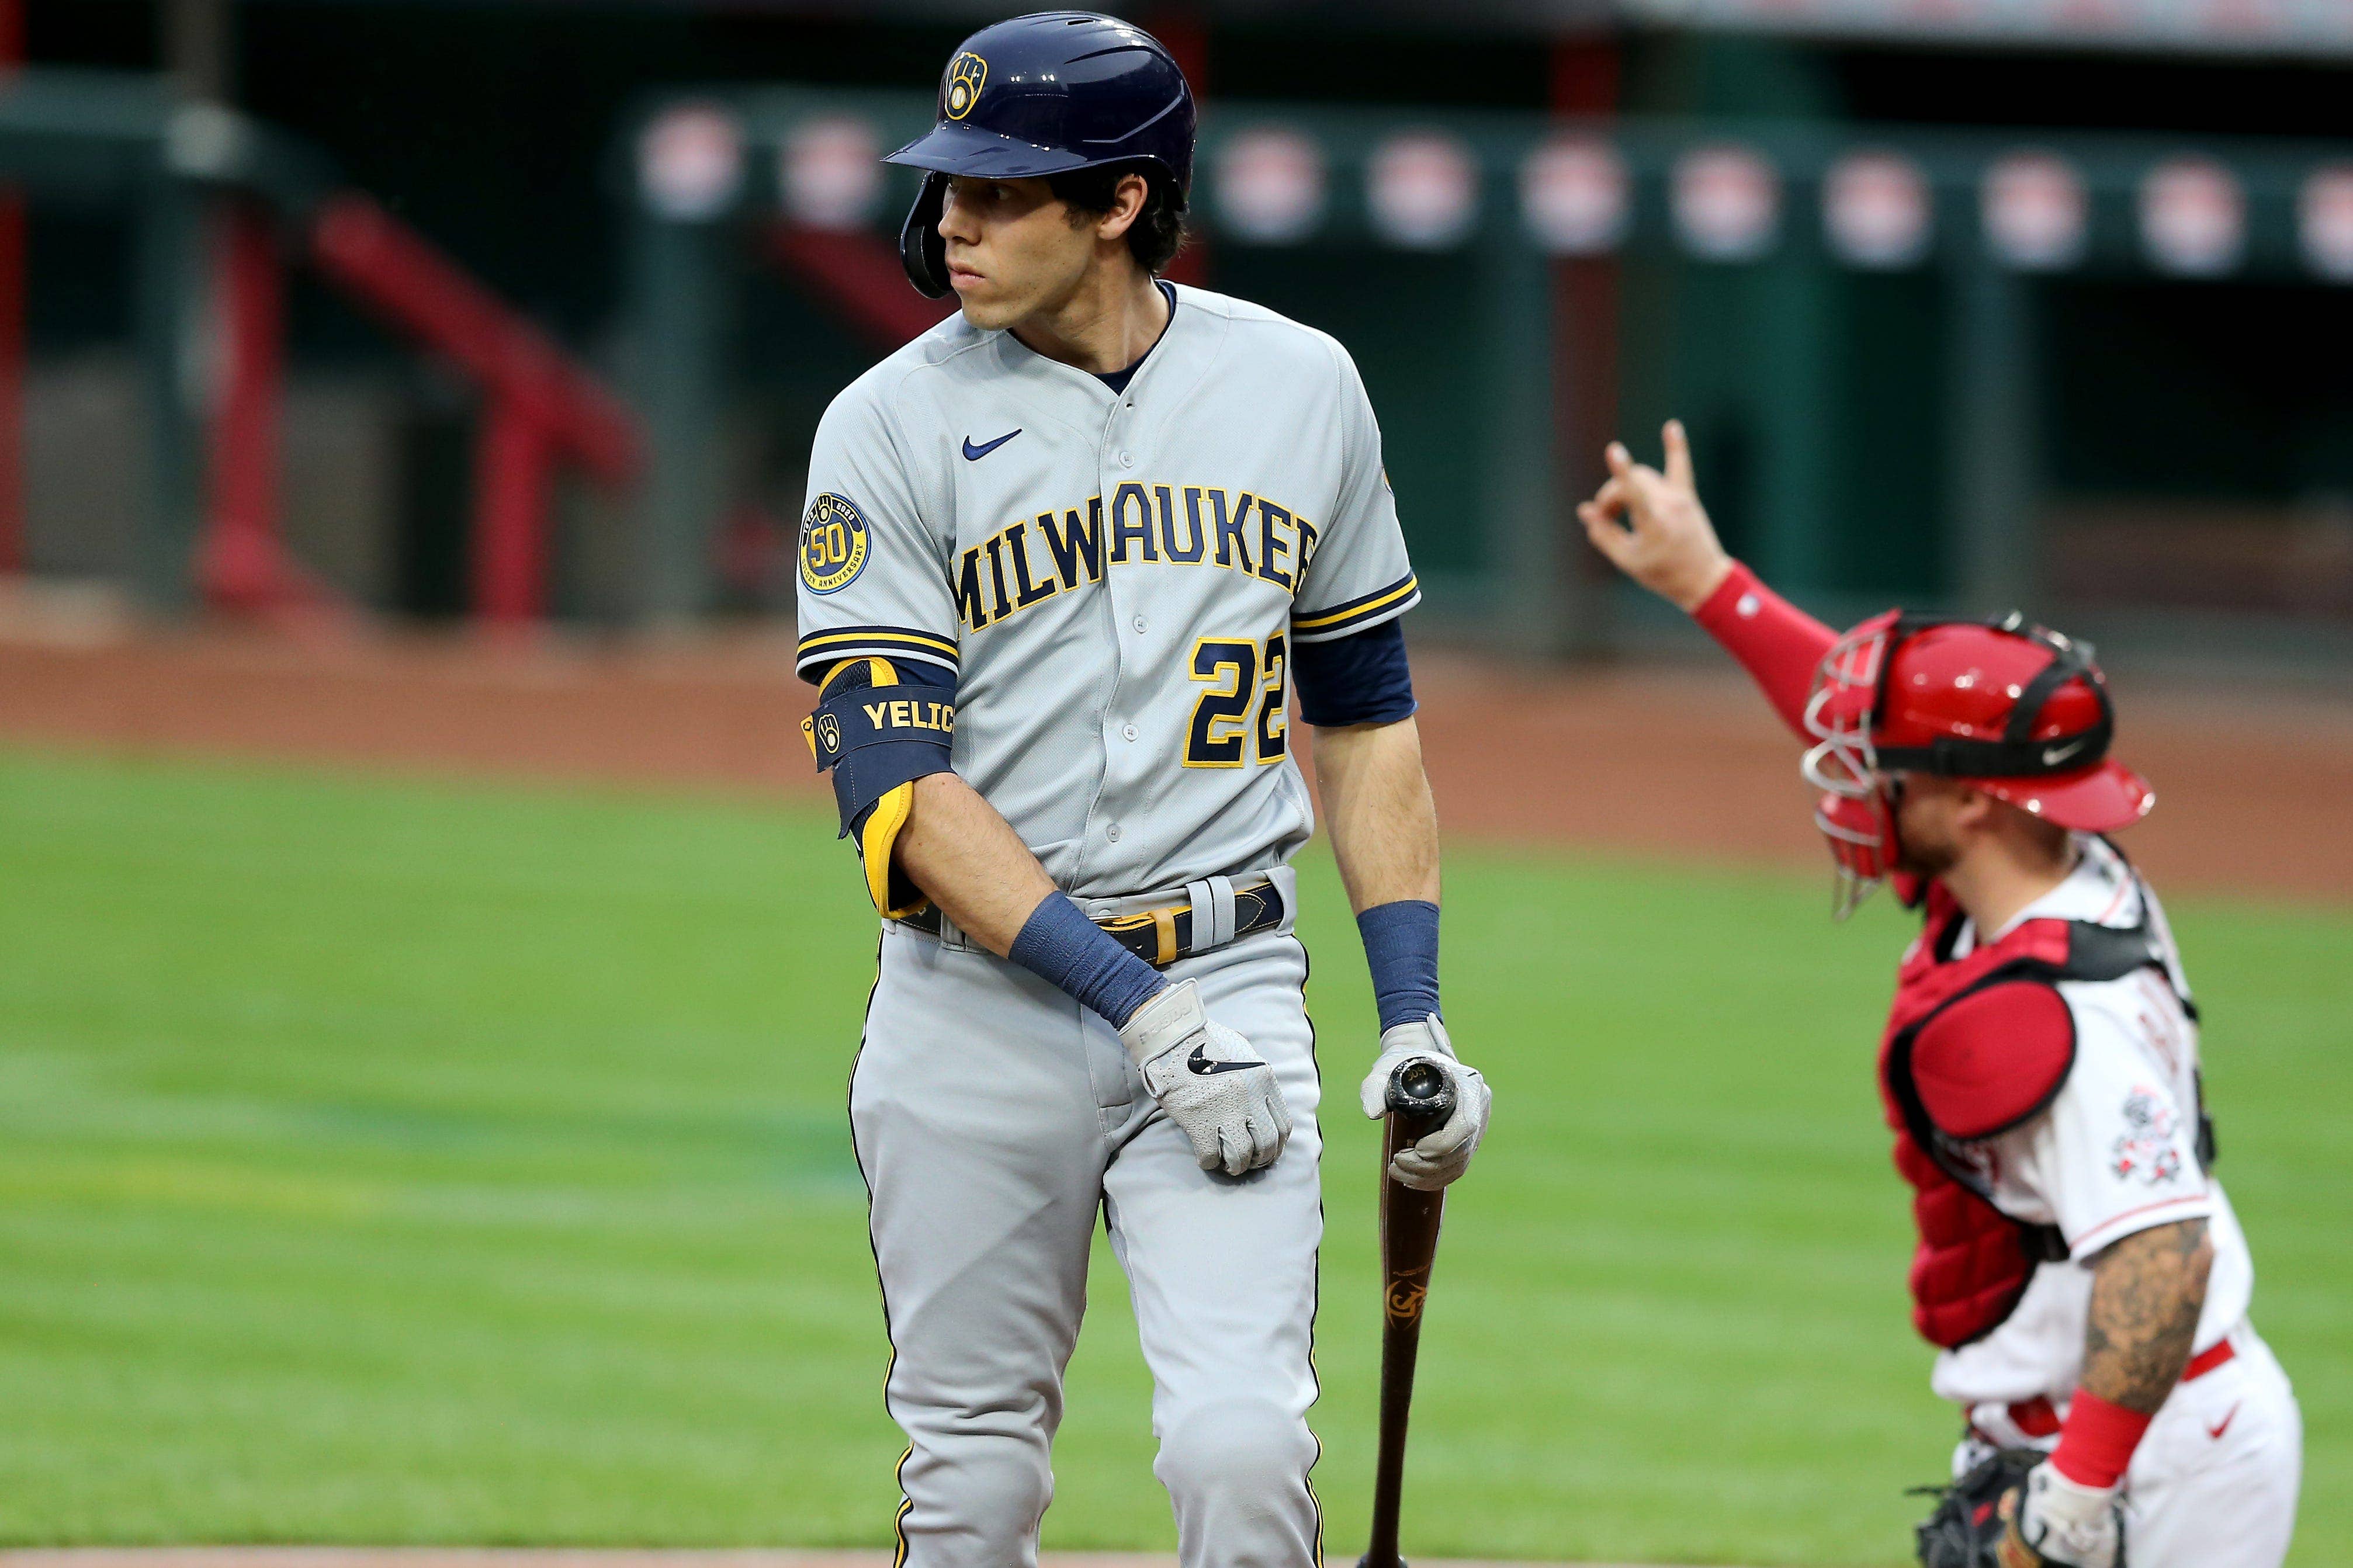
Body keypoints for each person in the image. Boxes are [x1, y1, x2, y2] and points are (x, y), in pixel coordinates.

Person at [792, 15, 1492, 1566]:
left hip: (1232, 979)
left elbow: (1366, 721)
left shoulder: (1301, 387)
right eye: (947, 186)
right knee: (971, 1480)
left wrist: (1415, 1011)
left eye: (1001, 190)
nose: (951, 221)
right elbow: (900, 788)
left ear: (1120, 203)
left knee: (1241, 1454)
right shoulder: (886, 425)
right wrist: (1134, 1006)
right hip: (973, 1012)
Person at [1579, 422, 2300, 1567]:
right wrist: (1712, 586)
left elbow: (2163, 1259)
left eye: (1885, 769)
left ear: (1971, 803)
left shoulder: (2051, 1015)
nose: (1853, 780)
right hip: (2118, 1433)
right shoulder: (2064, 867)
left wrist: (2067, 1504)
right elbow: (1861, 712)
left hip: (2152, 1462)